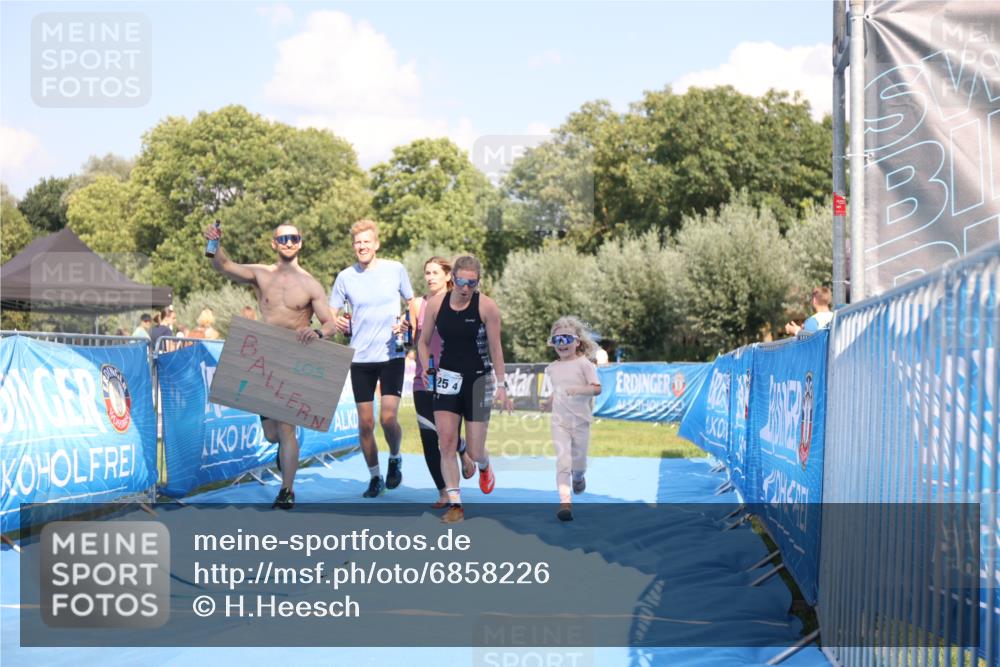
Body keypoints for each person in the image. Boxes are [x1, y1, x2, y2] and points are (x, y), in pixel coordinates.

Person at [203, 222, 336, 510]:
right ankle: (286, 453)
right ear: (274, 244)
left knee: (286, 429)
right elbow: (224, 266)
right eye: (282, 238)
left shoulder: (310, 283)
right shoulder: (262, 274)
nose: (288, 242)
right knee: (271, 434)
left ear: (300, 243)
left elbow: (330, 323)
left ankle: (286, 490)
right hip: (264, 357)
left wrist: (318, 333)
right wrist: (214, 243)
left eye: (294, 238)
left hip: (295, 356)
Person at [417, 254, 514, 523]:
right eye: (461, 281)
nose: (465, 288)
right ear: (453, 278)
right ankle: (456, 504)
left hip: (478, 381)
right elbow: (423, 343)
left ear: (478, 282)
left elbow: (496, 349)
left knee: (474, 450)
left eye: (472, 283)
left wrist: (502, 385)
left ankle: (484, 466)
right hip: (447, 377)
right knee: (445, 443)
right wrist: (427, 369)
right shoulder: (437, 304)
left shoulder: (487, 307)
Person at [326, 219, 415, 498]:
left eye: (367, 241)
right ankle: (375, 476)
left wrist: (406, 319)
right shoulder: (345, 277)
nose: (362, 246)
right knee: (365, 424)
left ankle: (395, 457)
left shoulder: (395, 269)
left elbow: (412, 303)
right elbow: (330, 311)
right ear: (354, 247)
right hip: (361, 359)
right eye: (358, 243)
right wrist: (336, 320)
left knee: (388, 418)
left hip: (391, 355)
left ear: (376, 244)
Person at [412, 256, 477, 508]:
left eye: (435, 272)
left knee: (446, 437)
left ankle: (461, 450)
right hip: (424, 378)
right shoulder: (419, 304)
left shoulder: (461, 302)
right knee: (429, 436)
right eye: (427, 273)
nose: (429, 277)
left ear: (448, 276)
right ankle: (442, 492)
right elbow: (416, 339)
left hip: (451, 378)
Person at [543, 317, 602, 522]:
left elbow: (597, 389)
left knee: (579, 465)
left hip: (581, 422)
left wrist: (580, 389)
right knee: (563, 462)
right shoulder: (551, 368)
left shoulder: (584, 364)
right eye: (556, 340)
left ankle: (579, 478)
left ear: (577, 341)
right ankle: (565, 502)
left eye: (566, 338)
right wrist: (548, 401)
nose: (562, 344)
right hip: (559, 422)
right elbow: (558, 390)